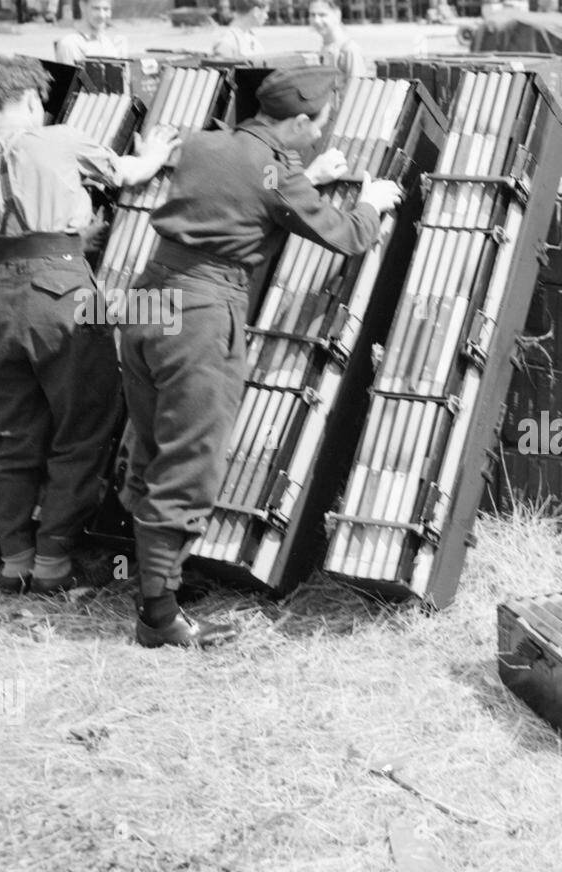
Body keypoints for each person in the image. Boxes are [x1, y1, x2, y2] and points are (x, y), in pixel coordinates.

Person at [119, 66, 403, 648]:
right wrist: (371, 202)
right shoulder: (276, 170)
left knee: (151, 448)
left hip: (149, 299)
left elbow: (243, 191)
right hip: (202, 314)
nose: (318, 137)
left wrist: (308, 177)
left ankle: (157, 584)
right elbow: (347, 236)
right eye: (317, 128)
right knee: (190, 462)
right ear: (299, 120)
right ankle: (159, 619)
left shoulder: (205, 143)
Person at [0, 56, 178, 595]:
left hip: (3, 301)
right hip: (66, 294)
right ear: (32, 99)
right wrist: (155, 153)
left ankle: (15, 562)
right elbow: (126, 174)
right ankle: (54, 562)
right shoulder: (56, 139)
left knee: (15, 434)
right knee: (81, 429)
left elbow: (8, 237)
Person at [54, 0, 128, 63]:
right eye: (96, 8)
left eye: (106, 9)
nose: (102, 15)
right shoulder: (71, 44)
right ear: (82, 6)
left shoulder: (116, 42)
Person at [309, 0, 367, 79]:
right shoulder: (326, 47)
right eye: (312, 15)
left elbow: (358, 88)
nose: (316, 20)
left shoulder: (349, 50)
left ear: (337, 15)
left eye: (322, 15)